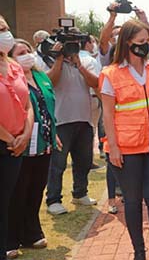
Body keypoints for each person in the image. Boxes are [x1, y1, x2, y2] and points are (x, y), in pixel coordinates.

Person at [100, 19, 149, 260]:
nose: (146, 47)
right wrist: (113, 147)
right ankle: (139, 253)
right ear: (127, 43)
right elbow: (108, 115)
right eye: (141, 42)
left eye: (148, 42)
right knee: (132, 201)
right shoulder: (110, 74)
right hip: (126, 146)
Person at [6, 39, 60, 258]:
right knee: (18, 191)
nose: (27, 54)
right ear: (11, 57)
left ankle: (31, 232)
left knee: (36, 189)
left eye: (28, 50)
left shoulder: (40, 77)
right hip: (22, 143)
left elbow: (49, 107)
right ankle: (10, 237)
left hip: (44, 143)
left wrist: (54, 135)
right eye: (21, 52)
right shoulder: (12, 79)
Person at [45, 27, 99, 215]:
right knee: (57, 164)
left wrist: (79, 65)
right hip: (61, 121)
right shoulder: (50, 61)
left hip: (84, 119)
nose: (71, 48)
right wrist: (59, 59)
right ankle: (53, 199)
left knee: (84, 160)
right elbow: (50, 82)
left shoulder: (85, 61)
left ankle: (80, 192)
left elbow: (96, 83)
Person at [0, 15, 34, 260]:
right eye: (0, 29)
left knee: (7, 202)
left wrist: (25, 133)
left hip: (17, 145)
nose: (5, 33)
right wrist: (9, 138)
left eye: (6, 28)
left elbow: (28, 104)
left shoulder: (14, 66)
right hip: (6, 143)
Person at [79, 35, 104, 170]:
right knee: (90, 130)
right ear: (87, 44)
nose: (93, 44)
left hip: (76, 100)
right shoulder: (90, 60)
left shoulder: (70, 58)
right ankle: (88, 161)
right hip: (92, 98)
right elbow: (96, 83)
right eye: (92, 42)